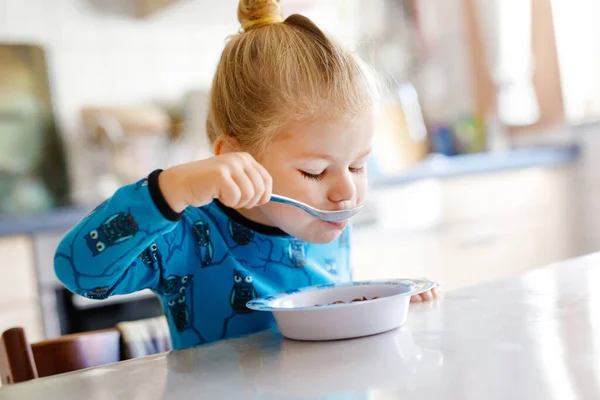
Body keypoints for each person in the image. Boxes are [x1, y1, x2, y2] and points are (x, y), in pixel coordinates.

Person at [54, 0, 439, 350]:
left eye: (358, 165)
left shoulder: (324, 224)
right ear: (236, 157)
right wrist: (169, 190)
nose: (346, 191)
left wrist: (379, 306)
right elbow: (79, 272)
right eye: (315, 172)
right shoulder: (187, 238)